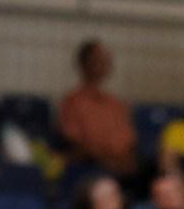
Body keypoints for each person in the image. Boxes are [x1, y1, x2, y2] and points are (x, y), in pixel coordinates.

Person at [57, 39, 138, 176]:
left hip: (123, 170)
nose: (104, 64)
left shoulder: (116, 104)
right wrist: (105, 158)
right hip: (90, 169)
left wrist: (122, 160)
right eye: (98, 59)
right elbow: (75, 142)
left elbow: (127, 141)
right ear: (83, 63)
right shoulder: (72, 102)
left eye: (107, 60)